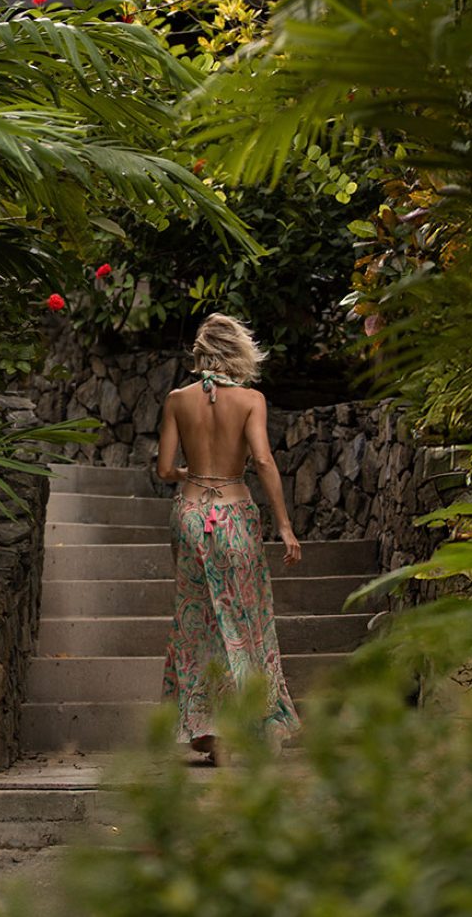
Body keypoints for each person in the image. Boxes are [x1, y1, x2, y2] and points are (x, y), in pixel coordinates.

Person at [156, 313, 301, 763]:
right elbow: (263, 460)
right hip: (234, 513)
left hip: (190, 512)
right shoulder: (251, 400)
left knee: (197, 621)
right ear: (238, 352)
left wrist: (190, 473)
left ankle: (210, 732)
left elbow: (164, 471)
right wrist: (284, 526)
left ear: (201, 353)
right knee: (244, 621)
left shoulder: (178, 399)